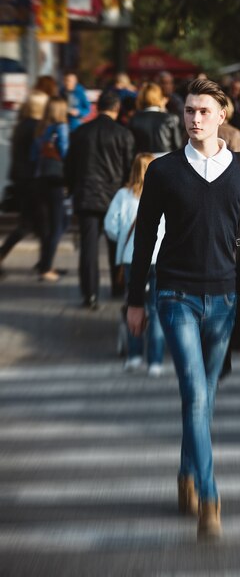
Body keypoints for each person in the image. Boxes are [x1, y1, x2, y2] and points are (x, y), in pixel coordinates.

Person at [127, 78, 240, 540]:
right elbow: (145, 236)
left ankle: (186, 472)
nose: (194, 119)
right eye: (189, 111)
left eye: (203, 111)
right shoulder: (164, 170)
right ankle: (210, 496)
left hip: (227, 299)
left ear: (222, 116)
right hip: (175, 296)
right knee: (194, 394)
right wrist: (135, 299)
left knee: (204, 398)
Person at [65, 90, 135, 309]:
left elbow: (70, 166)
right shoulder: (123, 134)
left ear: (97, 108)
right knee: (116, 243)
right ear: (116, 109)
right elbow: (128, 168)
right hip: (114, 196)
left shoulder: (80, 133)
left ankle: (90, 294)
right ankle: (117, 286)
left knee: (88, 247)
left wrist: (71, 189)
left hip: (86, 194)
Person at [104, 153, 166, 375]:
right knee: (157, 309)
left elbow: (110, 226)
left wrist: (121, 237)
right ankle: (156, 361)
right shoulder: (164, 193)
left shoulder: (123, 195)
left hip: (132, 257)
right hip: (160, 258)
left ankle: (134, 356)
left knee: (134, 305)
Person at [0, 90, 48, 273]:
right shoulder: (35, 127)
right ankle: (45, 265)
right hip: (31, 182)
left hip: (21, 180)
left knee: (37, 224)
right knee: (34, 224)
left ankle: (45, 263)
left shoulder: (21, 125)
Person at [33, 97, 70, 282]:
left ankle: (45, 264)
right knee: (59, 223)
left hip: (40, 177)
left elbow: (33, 155)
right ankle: (46, 267)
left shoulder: (41, 128)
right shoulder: (61, 126)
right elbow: (64, 151)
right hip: (56, 178)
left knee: (48, 224)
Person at [129, 82, 182, 155]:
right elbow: (177, 146)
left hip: (143, 162)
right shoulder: (170, 118)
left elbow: (131, 146)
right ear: (159, 97)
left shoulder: (134, 119)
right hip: (166, 160)